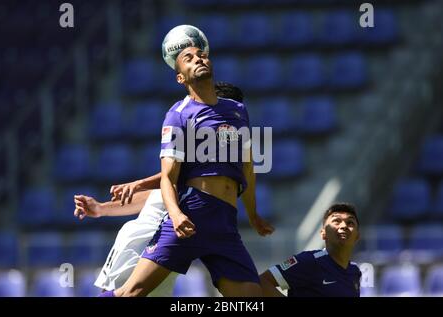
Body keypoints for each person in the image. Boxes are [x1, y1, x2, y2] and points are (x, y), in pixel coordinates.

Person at [100, 36, 274, 297]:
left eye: (201, 55)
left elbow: (247, 167)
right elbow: (169, 179)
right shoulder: (179, 114)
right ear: (181, 78)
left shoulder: (238, 110)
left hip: (226, 223)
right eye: (188, 58)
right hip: (192, 212)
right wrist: (177, 214)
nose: (198, 59)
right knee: (132, 293)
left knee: (253, 298)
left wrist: (253, 214)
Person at [74, 83, 259, 296]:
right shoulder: (195, 146)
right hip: (144, 239)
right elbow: (160, 191)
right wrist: (103, 208)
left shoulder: (222, 161)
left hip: (172, 244)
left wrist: (102, 208)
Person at [259, 203, 362, 297]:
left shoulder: (354, 271)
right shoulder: (308, 261)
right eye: (336, 221)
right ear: (323, 233)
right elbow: (263, 281)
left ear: (357, 236)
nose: (344, 226)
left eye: (350, 222)